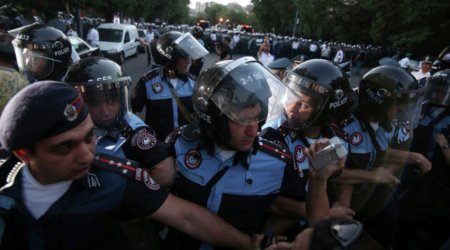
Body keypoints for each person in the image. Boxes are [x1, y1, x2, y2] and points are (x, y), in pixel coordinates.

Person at [0, 81, 268, 250]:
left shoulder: (115, 178)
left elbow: (187, 217)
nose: (85, 155)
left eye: (90, 137)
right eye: (64, 147)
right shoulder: (5, 196)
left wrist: (251, 244)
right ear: (23, 153)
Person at [164, 56, 300, 250]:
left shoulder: (278, 163)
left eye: (257, 118)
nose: (253, 132)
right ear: (213, 119)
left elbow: (296, 210)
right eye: (240, 120)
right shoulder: (179, 144)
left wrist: (265, 238)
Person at [64, 57, 176, 188]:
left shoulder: (133, 130)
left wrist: (125, 194)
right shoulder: (63, 126)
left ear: (121, 100)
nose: (105, 111)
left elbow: (166, 172)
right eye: (94, 102)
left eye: (111, 100)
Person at [394, 69, 450, 249]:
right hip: (405, 160)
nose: (438, 93)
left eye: (444, 90)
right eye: (437, 87)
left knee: (412, 214)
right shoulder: (422, 105)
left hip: (432, 176)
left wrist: (444, 145)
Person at [131, 31, 208, 141]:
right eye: (184, 56)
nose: (188, 61)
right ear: (171, 58)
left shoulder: (194, 83)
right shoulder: (147, 82)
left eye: (189, 56)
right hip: (158, 148)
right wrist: (145, 139)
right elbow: (131, 115)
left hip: (186, 145)